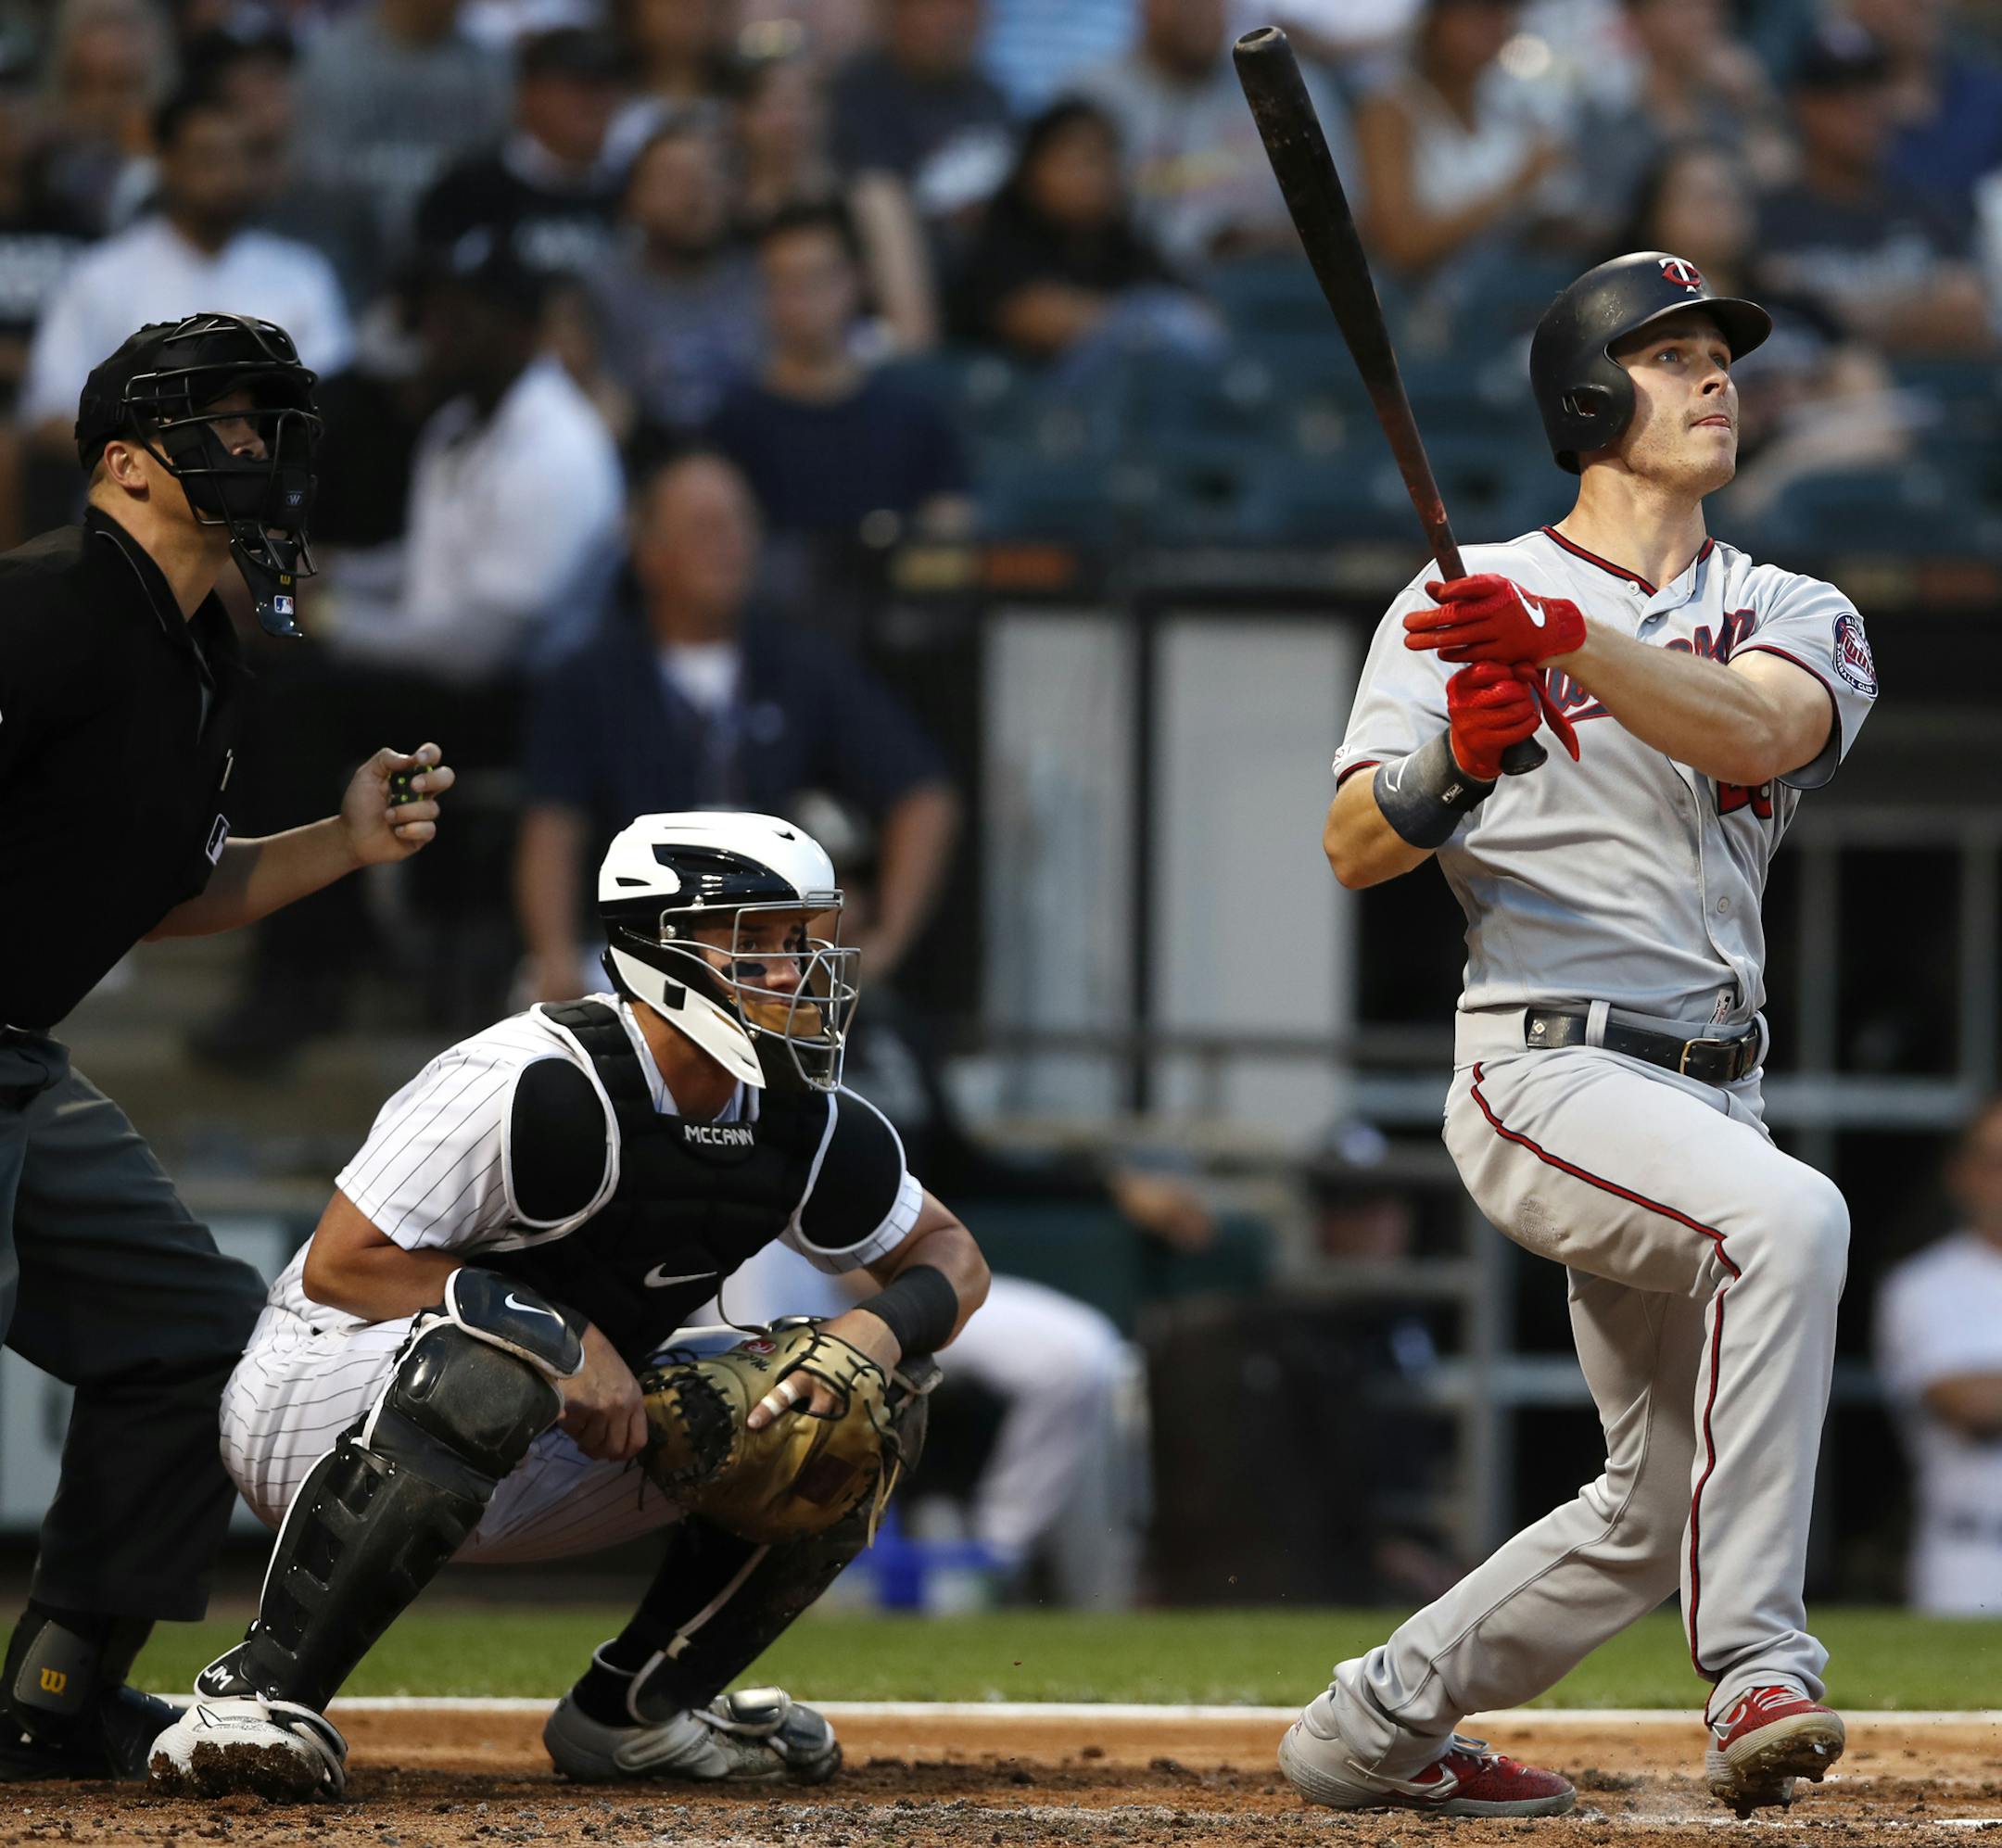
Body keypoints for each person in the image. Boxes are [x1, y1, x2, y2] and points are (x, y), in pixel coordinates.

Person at [1291, 249, 1875, 1818]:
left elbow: (1756, 726)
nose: (1715, 378)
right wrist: (1456, 769)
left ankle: (1371, 1721)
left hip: (1710, 1093)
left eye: (1720, 355)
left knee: (1640, 1507)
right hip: (1547, 1062)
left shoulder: (1791, 606)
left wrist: (1559, 645)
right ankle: (1757, 1656)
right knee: (1794, 1219)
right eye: (1673, 354)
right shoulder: (1449, 597)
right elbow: (1358, 844)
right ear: (1588, 393)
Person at [146, 810, 990, 1799]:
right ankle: (254, 1695)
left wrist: (870, 1332)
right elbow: (345, 1264)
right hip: (321, 1401)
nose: (788, 967)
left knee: (858, 1404)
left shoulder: (800, 1114)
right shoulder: (533, 1076)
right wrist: (561, 1334)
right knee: (495, 1359)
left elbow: (951, 1255)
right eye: (753, 940)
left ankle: (636, 1709)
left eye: (798, 939)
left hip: (548, 1434)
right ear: (656, 945)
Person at [0, 310, 456, 1781]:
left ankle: (56, 1697)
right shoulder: (50, 604)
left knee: (186, 1327)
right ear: (126, 463)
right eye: (225, 423)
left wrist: (341, 840)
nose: (257, 448)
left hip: (16, 1051)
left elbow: (161, 884)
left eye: (265, 423)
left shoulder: (206, 649)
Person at [191, 236, 624, 1070]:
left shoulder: (558, 448)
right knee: (252, 670)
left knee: (296, 701)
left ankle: (303, 975)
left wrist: (328, 615)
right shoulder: (460, 428)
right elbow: (428, 574)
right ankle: (327, 933)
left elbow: (475, 643)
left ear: (523, 331)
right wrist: (302, 576)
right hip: (448, 676)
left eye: (462, 323)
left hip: (528, 703)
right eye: (434, 320)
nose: (437, 338)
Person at [515, 449, 960, 1004]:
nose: (729, 543)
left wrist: (886, 946)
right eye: (705, 527)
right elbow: (552, 830)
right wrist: (553, 955)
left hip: (776, 961)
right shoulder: (590, 680)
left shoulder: (804, 665)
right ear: (647, 550)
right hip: (635, 952)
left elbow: (923, 795)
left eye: (740, 523)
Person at [18, 84, 354, 454]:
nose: (225, 174)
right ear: (166, 163)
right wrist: (156, 455)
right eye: (207, 156)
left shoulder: (302, 274)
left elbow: (335, 404)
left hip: (271, 493)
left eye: (238, 157)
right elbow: (47, 413)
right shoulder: (100, 276)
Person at [709, 202, 971, 541]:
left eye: (816, 278)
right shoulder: (733, 424)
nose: (802, 298)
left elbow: (951, 525)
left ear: (856, 281)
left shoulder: (913, 415)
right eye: (783, 281)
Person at [1757, 21, 1993, 357]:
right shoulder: (1768, 217)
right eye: (1839, 95)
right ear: (1802, 106)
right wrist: (1915, 313)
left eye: (1872, 91)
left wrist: (1836, 316)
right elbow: (1776, 328)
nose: (1862, 109)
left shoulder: (1928, 205)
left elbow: (1967, 312)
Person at [947, 95, 1216, 373]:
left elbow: (1201, 319)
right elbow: (1035, 320)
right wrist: (1141, 324)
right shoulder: (1001, 241)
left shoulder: (1124, 244)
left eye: (1103, 159)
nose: (1092, 177)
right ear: (1031, 168)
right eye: (1075, 161)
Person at [1075, 0, 1350, 268]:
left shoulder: (1287, 82)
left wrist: (1266, 241)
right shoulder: (1092, 98)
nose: (1199, 10)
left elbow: (1348, 221)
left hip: (1281, 280)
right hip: (1142, 287)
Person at [1875, 1097, 2002, 1615]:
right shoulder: (1923, 1285)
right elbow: (1968, 1405)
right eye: (1995, 1164)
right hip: (1971, 1559)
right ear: (1963, 1174)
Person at [1349, 0, 1567, 282]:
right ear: (1435, 21)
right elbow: (1399, 246)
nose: (1492, 26)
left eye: (1500, 13)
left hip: (1509, 296)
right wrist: (1514, 188)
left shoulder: (1509, 109)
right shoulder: (1388, 111)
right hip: (1416, 309)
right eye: (1476, 13)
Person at [292, 0, 511, 258]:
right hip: (345, 242)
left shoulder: (490, 67)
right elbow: (317, 174)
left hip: (452, 247)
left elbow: (493, 170)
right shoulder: (332, 58)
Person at [587, 120, 764, 436]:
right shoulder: (602, 290)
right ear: (634, 199)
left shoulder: (763, 276)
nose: (694, 194)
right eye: (673, 179)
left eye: (708, 176)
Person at [412, 25, 627, 284]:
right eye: (578, 88)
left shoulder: (633, 193)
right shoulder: (466, 193)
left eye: (606, 89)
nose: (594, 104)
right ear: (528, 94)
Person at [828, 0, 1015, 222]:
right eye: (934, 6)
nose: (953, 21)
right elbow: (870, 190)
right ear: (895, 12)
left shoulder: (990, 96)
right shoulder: (859, 93)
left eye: (966, 6)